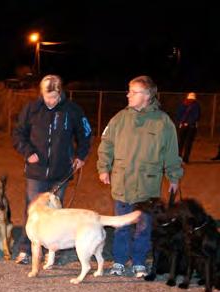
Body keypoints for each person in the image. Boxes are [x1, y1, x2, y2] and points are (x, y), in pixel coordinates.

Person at [97, 75, 183, 277]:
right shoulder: (119, 118)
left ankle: (139, 262)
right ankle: (119, 261)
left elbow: (171, 153)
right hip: (122, 182)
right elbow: (106, 145)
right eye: (129, 90)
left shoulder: (163, 122)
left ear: (147, 95)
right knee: (121, 226)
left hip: (148, 185)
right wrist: (103, 168)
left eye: (133, 92)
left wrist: (174, 177)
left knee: (144, 227)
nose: (128, 95)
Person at [12, 74, 92, 264]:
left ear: (60, 92)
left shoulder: (72, 110)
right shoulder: (31, 109)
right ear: (41, 93)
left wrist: (81, 156)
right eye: (48, 97)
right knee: (33, 212)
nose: (51, 101)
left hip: (61, 171)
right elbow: (18, 134)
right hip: (36, 172)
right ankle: (26, 249)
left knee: (56, 213)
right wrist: (28, 152)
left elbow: (86, 134)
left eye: (55, 97)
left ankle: (52, 251)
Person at [176, 92, 201, 163]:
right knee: (184, 143)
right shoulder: (195, 105)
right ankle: (182, 158)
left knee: (184, 143)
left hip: (188, 126)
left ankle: (183, 158)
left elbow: (178, 115)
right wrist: (186, 122)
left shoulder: (184, 105)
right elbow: (196, 116)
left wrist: (183, 122)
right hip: (190, 126)